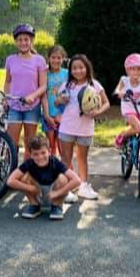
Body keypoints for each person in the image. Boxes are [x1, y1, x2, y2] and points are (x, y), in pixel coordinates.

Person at [57, 54, 110, 200]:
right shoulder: (67, 85)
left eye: (81, 67)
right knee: (65, 158)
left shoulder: (94, 85)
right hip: (67, 127)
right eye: (74, 68)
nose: (78, 71)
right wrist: (61, 100)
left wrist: (98, 111)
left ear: (87, 68)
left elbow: (106, 103)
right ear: (70, 70)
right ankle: (65, 188)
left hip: (85, 128)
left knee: (82, 158)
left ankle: (83, 186)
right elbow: (56, 102)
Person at [7, 135, 81, 220]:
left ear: (49, 151)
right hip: (37, 193)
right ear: (30, 154)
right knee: (24, 176)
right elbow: (10, 181)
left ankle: (56, 206)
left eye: (43, 153)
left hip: (54, 194)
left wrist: (58, 193)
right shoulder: (29, 163)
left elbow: (77, 180)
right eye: (35, 154)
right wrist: (30, 188)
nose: (40, 157)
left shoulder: (55, 163)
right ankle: (34, 205)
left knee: (63, 177)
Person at [4, 23, 48, 161]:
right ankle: (11, 171)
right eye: (20, 40)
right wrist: (6, 98)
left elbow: (43, 86)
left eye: (26, 39)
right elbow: (8, 81)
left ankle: (26, 172)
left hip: (32, 106)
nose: (23, 42)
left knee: (30, 142)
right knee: (12, 142)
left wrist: (32, 96)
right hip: (14, 105)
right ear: (16, 42)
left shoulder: (39, 60)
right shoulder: (10, 60)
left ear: (31, 41)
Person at [41, 45, 69, 158]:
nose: (56, 60)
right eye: (53, 57)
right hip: (48, 115)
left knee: (63, 149)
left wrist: (62, 114)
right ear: (48, 58)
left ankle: (66, 172)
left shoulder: (67, 73)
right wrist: (47, 115)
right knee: (51, 146)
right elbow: (43, 95)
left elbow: (70, 94)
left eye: (59, 58)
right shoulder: (44, 74)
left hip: (63, 116)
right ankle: (51, 172)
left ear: (63, 59)